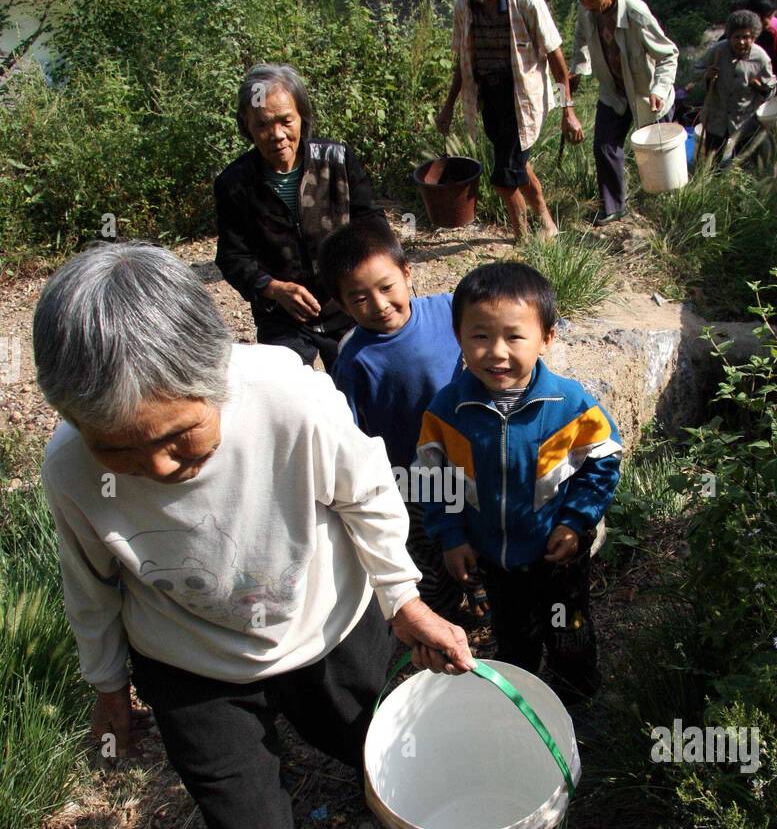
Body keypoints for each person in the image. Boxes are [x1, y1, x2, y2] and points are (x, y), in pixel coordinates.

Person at [33, 242, 473, 829]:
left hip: (327, 625)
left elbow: (367, 492)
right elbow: (90, 583)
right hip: (190, 667)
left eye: (176, 438)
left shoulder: (288, 397)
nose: (154, 468)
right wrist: (108, 687)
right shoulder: (68, 470)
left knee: (395, 762)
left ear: (216, 377)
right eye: (119, 451)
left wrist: (401, 597)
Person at [416, 261, 622, 704]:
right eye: (480, 336)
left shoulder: (568, 404)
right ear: (459, 337)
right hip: (494, 558)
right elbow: (432, 478)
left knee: (567, 630)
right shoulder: (447, 410)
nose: (496, 351)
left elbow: (604, 461)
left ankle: (576, 702)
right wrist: (451, 538)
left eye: (514, 336)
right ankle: (520, 702)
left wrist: (576, 521)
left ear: (547, 337)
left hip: (557, 555)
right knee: (514, 639)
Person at [321, 218, 479, 625]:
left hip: (472, 461)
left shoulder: (449, 310)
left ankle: (480, 594)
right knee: (432, 549)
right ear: (340, 304)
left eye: (387, 287)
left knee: (478, 534)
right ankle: (441, 618)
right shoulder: (354, 361)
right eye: (359, 298)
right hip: (414, 478)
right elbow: (351, 435)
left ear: (407, 273)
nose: (379, 305)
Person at [214, 63, 386, 369]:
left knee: (362, 386)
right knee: (287, 394)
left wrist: (360, 284)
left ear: (301, 117)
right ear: (247, 127)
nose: (276, 135)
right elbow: (232, 256)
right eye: (263, 125)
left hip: (347, 306)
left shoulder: (337, 161)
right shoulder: (235, 183)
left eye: (286, 121)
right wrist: (274, 289)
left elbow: (372, 226)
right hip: (281, 315)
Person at [435, 0, 582, 242]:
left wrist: (567, 108)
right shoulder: (464, 6)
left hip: (522, 99)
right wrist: (448, 107)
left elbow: (556, 57)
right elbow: (462, 61)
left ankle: (523, 239)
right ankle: (547, 221)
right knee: (518, 165)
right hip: (490, 98)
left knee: (503, 179)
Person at [568, 0, 679, 225]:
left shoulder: (635, 13)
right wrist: (577, 70)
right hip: (613, 91)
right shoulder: (586, 12)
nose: (585, 6)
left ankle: (667, 213)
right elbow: (579, 42)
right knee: (604, 147)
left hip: (646, 94)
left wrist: (659, 89)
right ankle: (614, 207)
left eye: (591, 1)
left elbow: (668, 54)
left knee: (658, 157)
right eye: (581, 0)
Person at [688, 9, 777, 159]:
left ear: (754, 37)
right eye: (737, 37)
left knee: (743, 162)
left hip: (744, 120)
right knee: (712, 161)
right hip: (717, 118)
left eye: (746, 37)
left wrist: (760, 87)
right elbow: (695, 70)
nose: (741, 42)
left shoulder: (760, 58)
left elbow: (771, 87)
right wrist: (707, 75)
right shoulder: (718, 51)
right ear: (730, 36)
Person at [733, 0, 777, 95]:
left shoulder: (770, 35)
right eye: (768, 17)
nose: (771, 21)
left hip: (763, 89)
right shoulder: (734, 34)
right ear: (757, 17)